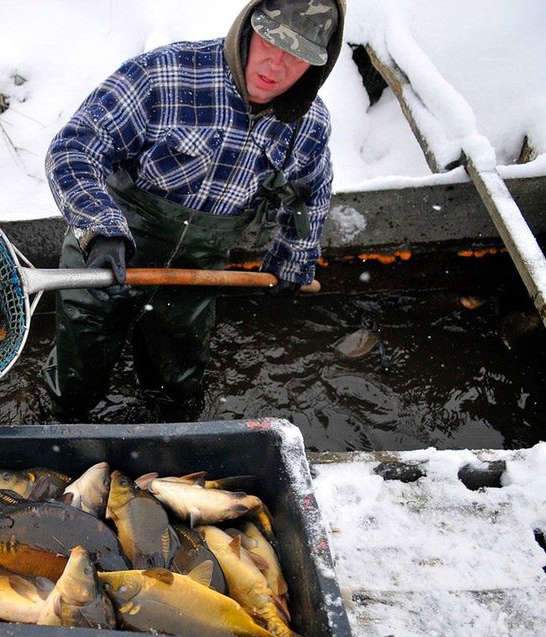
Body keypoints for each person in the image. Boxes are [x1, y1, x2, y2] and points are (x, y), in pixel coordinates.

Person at [41, 0, 345, 421]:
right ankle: (61, 426)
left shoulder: (307, 122)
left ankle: (168, 440)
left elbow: (310, 190)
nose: (277, 67)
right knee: (78, 369)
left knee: (178, 385)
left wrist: (296, 254)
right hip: (106, 256)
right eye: (270, 43)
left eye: (298, 57)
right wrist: (99, 228)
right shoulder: (162, 76)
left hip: (196, 270)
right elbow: (74, 148)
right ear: (246, 30)